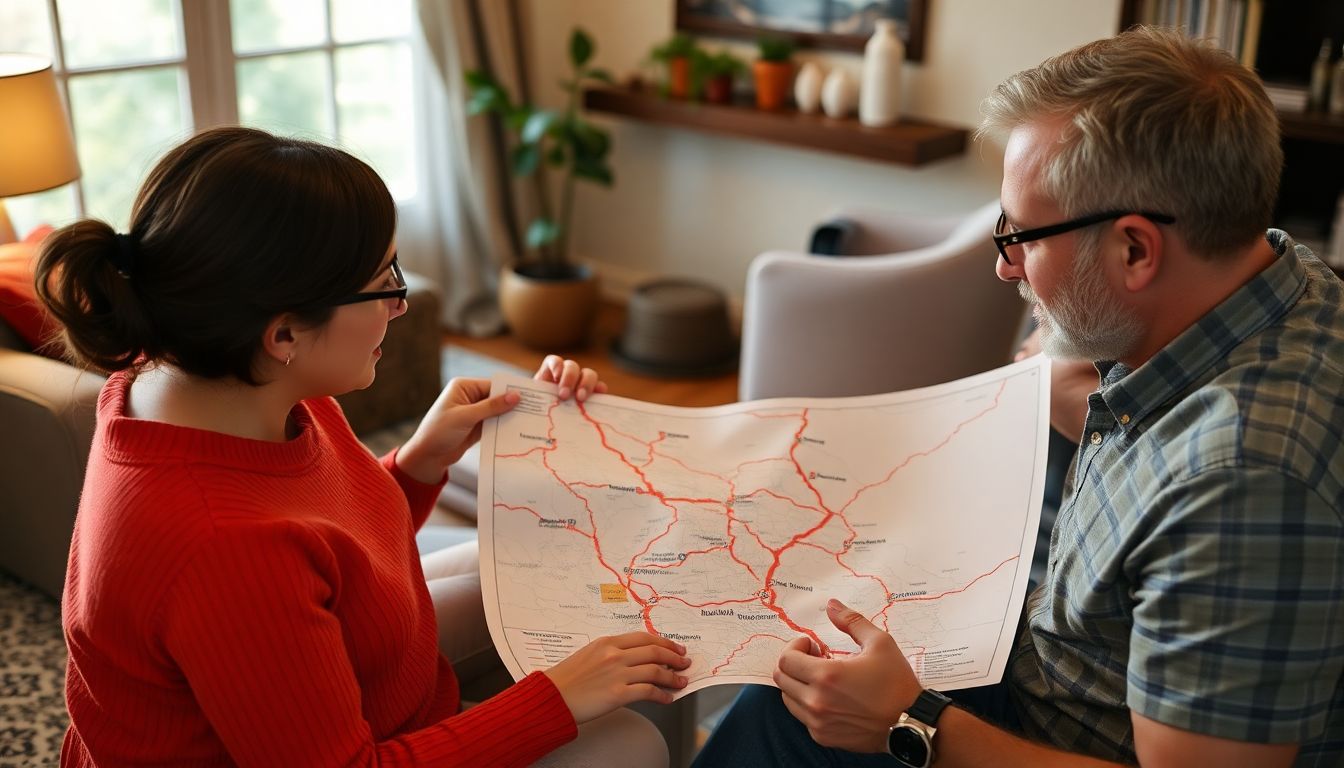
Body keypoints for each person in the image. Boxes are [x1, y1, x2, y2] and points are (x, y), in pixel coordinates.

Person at [694, 25, 1344, 768]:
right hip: (1052, 657)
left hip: (1055, 733)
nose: (1007, 269)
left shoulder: (1238, 488)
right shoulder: (1281, 278)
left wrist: (911, 723)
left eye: (1025, 237)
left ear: (1136, 249)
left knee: (779, 711)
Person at [41, 126, 690, 767]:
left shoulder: (212, 382)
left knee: (551, 574)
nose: (401, 305)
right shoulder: (221, 544)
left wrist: (419, 463)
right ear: (284, 332)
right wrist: (558, 698)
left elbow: (319, 543)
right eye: (385, 281)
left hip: (347, 693)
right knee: (632, 743)